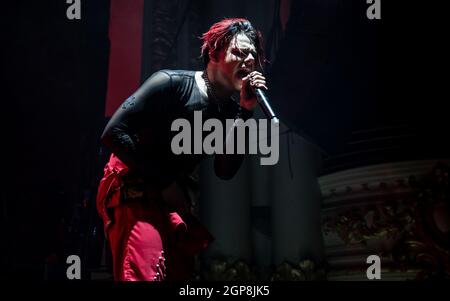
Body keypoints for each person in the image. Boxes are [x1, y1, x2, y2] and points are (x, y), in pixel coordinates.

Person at [96, 18, 267, 281]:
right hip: (133, 189)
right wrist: (166, 182)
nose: (249, 61)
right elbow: (113, 133)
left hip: (168, 200)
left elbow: (225, 170)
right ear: (214, 52)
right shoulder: (171, 83)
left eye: (253, 56)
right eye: (240, 52)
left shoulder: (231, 112)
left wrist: (245, 112)